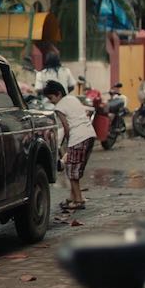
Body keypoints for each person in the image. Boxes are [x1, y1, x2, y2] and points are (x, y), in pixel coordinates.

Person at [43, 81, 96, 210]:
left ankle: (78, 201)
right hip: (90, 134)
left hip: (78, 137)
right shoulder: (73, 98)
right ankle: (73, 197)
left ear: (58, 94)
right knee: (76, 169)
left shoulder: (59, 107)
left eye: (51, 98)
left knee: (72, 172)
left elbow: (66, 127)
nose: (51, 102)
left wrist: (66, 143)